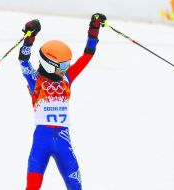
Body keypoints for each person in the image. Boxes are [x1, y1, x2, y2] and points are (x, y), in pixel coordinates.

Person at [18, 13, 107, 190]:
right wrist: (29, 38)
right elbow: (23, 61)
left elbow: (87, 56)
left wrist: (94, 30)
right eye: (64, 65)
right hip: (41, 141)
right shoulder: (36, 80)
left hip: (63, 140)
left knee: (76, 186)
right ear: (50, 64)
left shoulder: (67, 77)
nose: (67, 68)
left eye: (68, 64)